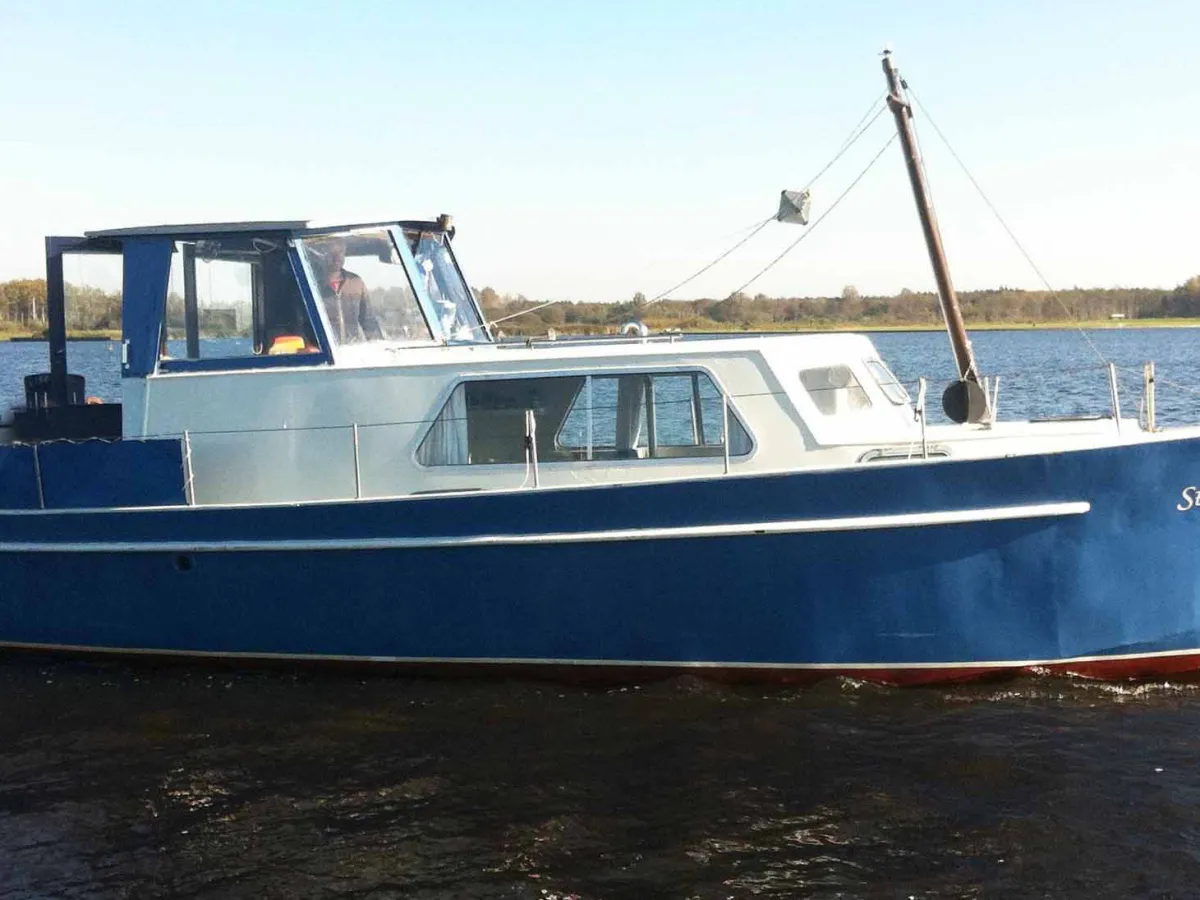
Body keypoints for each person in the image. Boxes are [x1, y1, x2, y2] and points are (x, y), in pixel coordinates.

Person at [316, 237, 382, 343]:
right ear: (322, 255)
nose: (337, 257)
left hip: (352, 351)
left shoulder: (356, 282)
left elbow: (369, 321)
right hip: (326, 352)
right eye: (332, 252)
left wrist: (379, 346)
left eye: (340, 252)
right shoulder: (313, 284)